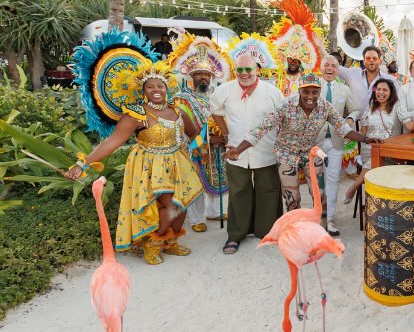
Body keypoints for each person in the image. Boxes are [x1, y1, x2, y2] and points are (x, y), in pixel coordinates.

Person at [65, 62, 202, 265]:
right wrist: (83, 163)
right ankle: (154, 244)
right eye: (150, 86)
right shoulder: (136, 114)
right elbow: (112, 141)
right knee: (170, 205)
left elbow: (195, 135)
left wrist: (203, 148)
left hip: (178, 163)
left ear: (167, 87)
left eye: (160, 86)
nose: (156, 90)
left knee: (182, 205)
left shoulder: (178, 110)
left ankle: (171, 241)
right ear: (143, 90)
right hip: (150, 166)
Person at [224, 73, 380, 235]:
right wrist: (238, 149)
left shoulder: (325, 107)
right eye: (306, 92)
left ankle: (321, 230)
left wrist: (366, 139)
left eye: (314, 92)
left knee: (320, 195)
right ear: (299, 91)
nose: (310, 96)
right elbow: (260, 129)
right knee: (292, 198)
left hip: (310, 154)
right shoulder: (286, 106)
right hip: (286, 154)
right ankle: (296, 232)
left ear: (319, 91)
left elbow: (344, 129)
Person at [210, 54, 284, 254]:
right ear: (235, 71)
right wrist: (225, 133)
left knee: (268, 191)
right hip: (235, 151)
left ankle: (267, 232)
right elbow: (215, 110)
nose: (244, 74)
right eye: (240, 70)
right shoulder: (224, 90)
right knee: (238, 192)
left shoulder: (272, 92)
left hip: (266, 150)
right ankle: (236, 235)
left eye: (248, 69)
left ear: (257, 70)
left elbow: (283, 118)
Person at [175, 64, 226, 233]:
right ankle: (197, 218)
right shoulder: (182, 98)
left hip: (218, 146)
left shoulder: (218, 95)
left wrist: (221, 136)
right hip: (194, 147)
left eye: (206, 74)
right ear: (192, 77)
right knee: (196, 181)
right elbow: (181, 126)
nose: (203, 77)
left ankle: (214, 212)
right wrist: (207, 139)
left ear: (211, 77)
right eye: (198, 74)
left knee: (216, 176)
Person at [317, 55, 359, 234]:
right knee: (316, 181)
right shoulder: (311, 86)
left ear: (337, 70)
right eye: (326, 65)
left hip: (336, 141)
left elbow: (355, 109)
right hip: (314, 142)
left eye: (334, 66)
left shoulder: (344, 89)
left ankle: (330, 219)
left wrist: (349, 119)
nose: (330, 68)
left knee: (332, 180)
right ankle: (317, 217)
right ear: (320, 68)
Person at [344, 78, 402, 203]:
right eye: (378, 89)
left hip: (390, 150)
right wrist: (352, 138)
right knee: (374, 157)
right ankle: (377, 200)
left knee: (378, 158)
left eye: (385, 90)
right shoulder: (370, 108)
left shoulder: (397, 108)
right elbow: (363, 131)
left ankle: (356, 185)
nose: (381, 92)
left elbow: (407, 124)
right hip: (369, 149)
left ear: (391, 92)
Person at [337, 45, 396, 114]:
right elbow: (335, 67)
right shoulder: (353, 74)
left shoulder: (390, 79)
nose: (371, 60)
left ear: (379, 61)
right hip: (356, 123)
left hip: (381, 123)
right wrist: (321, 47)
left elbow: (399, 102)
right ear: (364, 61)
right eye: (368, 58)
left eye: (374, 58)